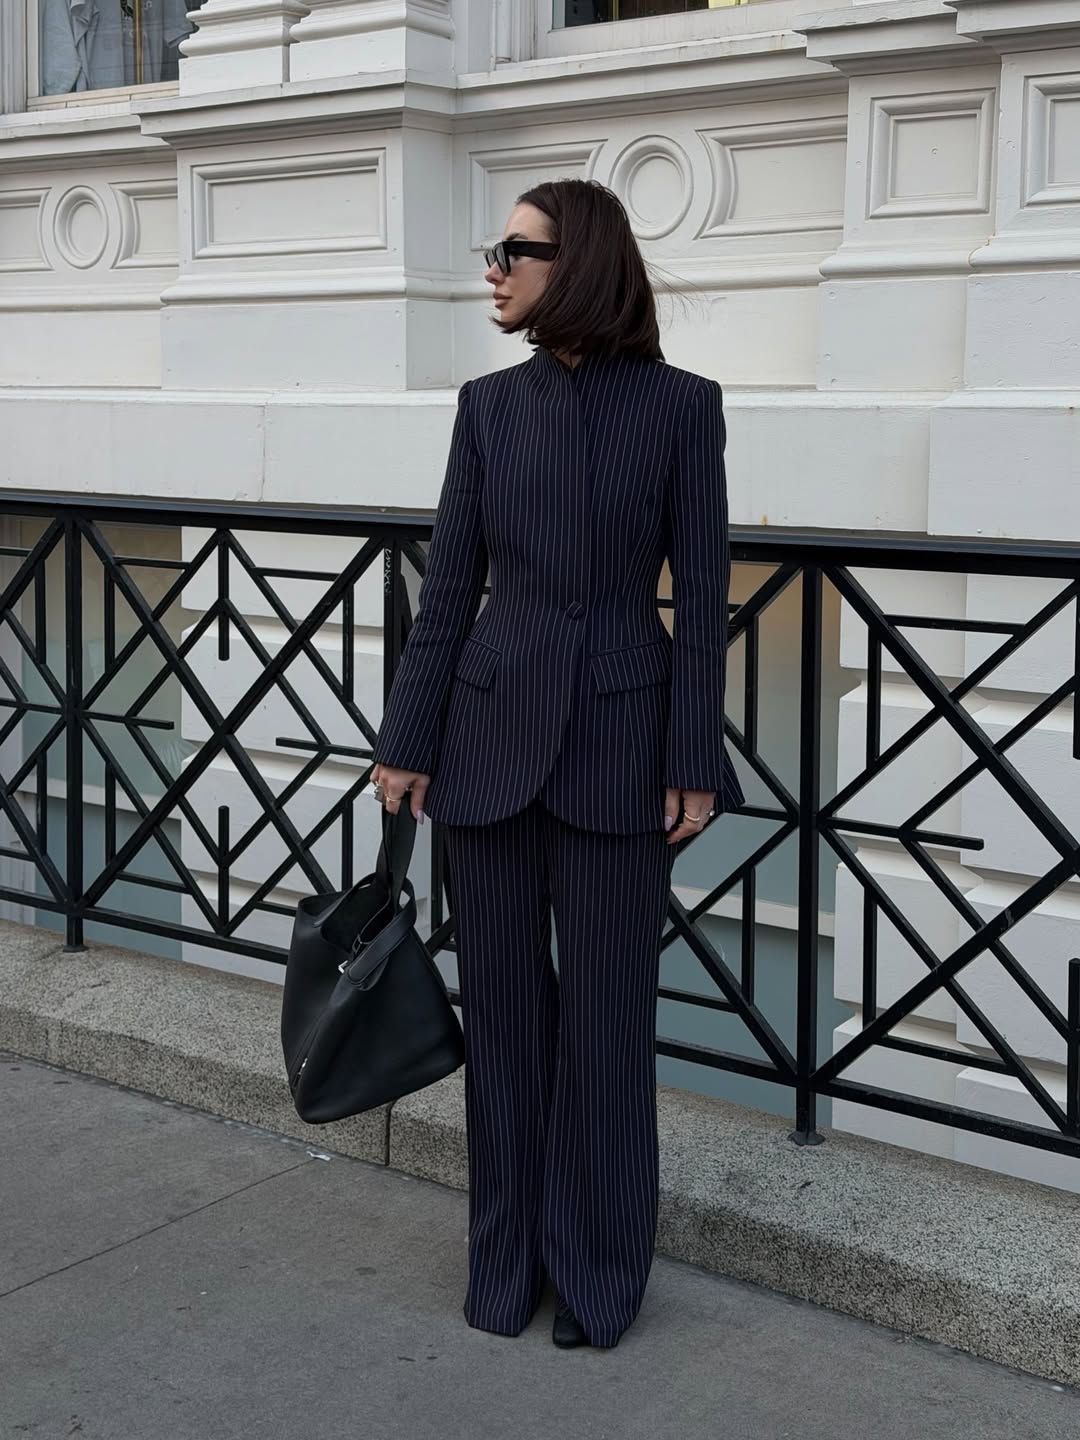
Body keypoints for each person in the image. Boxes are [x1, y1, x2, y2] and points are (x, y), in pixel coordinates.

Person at [370, 178, 743, 1349]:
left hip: (624, 754)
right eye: (496, 250)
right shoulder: (488, 407)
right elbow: (448, 592)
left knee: (609, 1030)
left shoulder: (683, 408)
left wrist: (694, 755)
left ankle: (596, 1279)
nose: (493, 270)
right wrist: (406, 740)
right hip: (485, 751)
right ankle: (505, 1266)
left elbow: (704, 595)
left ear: (575, 263)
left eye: (514, 251)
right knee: (504, 1026)